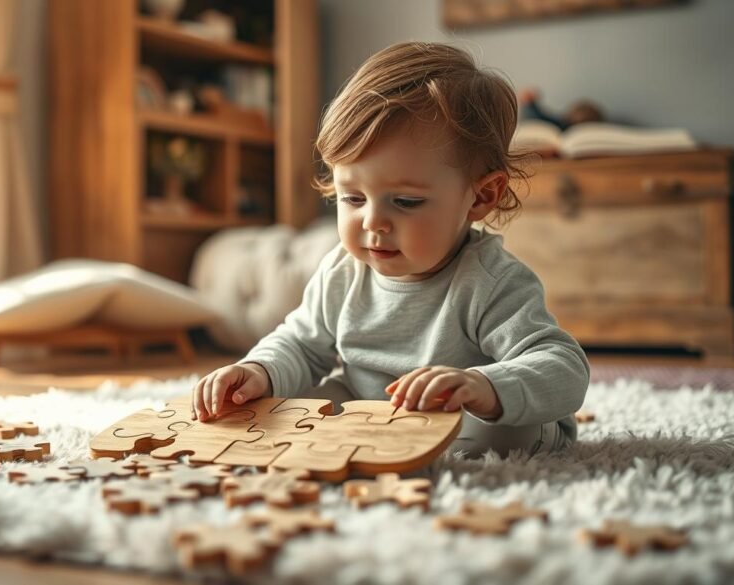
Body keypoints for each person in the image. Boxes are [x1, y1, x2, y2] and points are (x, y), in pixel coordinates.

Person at [192, 42, 590, 458]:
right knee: (288, 407)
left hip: (465, 415)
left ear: (480, 197)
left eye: (405, 202)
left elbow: (564, 366)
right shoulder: (343, 271)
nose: (372, 223)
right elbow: (302, 344)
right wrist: (258, 371)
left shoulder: (491, 281)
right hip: (370, 406)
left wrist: (485, 387)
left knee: (501, 435)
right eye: (353, 198)